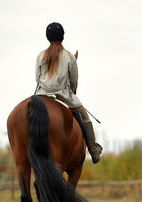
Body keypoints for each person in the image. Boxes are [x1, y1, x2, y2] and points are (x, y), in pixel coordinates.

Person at [35, 22, 102, 163]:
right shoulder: (70, 57)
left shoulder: (40, 56)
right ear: (63, 37)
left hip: (41, 96)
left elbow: (37, 78)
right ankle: (94, 152)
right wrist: (72, 93)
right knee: (85, 117)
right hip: (64, 96)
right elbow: (74, 82)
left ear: (47, 37)